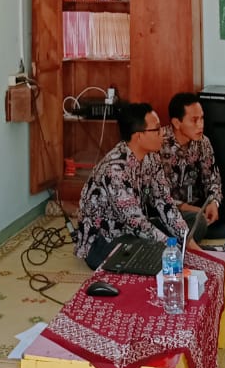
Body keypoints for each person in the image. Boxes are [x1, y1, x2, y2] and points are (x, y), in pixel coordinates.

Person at [73, 102, 201, 269]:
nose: (163, 133)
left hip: (134, 228)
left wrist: (187, 240)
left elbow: (165, 202)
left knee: (196, 222)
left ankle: (174, 246)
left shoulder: (151, 157)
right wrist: (173, 248)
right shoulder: (114, 170)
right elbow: (136, 223)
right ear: (138, 136)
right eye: (157, 129)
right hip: (105, 242)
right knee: (152, 253)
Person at [160, 92, 225, 240]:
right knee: (163, 215)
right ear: (176, 123)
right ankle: (203, 230)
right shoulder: (159, 144)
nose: (201, 125)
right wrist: (188, 209)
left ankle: (199, 227)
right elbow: (157, 195)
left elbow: (213, 179)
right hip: (172, 207)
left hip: (197, 203)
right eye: (194, 120)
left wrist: (213, 203)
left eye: (202, 118)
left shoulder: (203, 142)